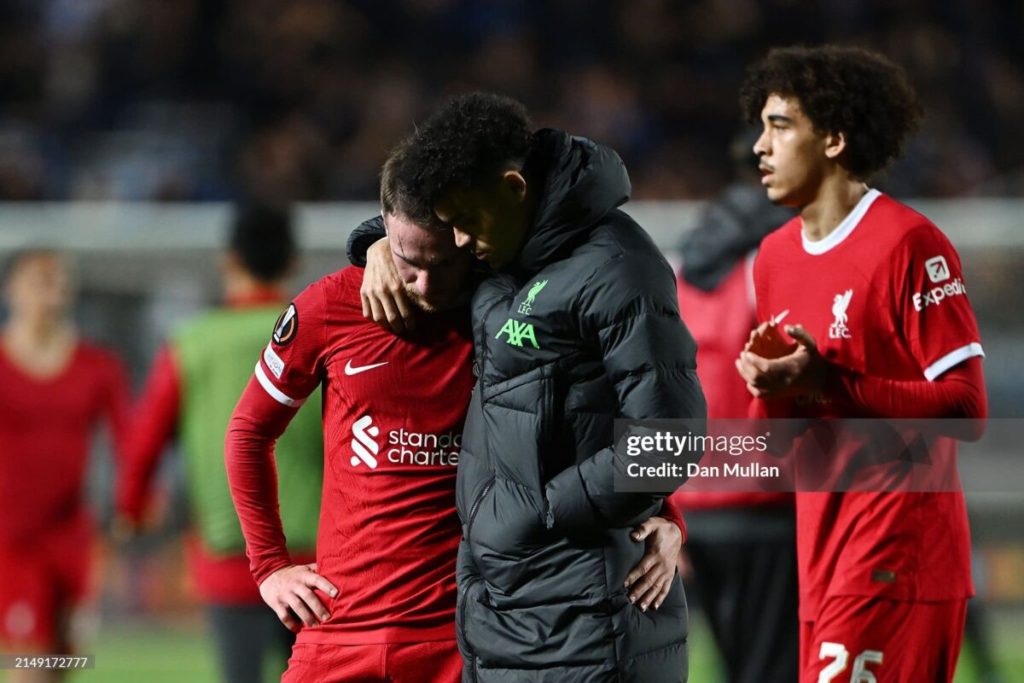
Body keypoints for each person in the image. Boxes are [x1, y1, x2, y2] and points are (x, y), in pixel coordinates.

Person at [224, 154, 683, 683]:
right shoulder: (330, 305)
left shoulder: (513, 311)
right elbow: (248, 433)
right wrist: (271, 567)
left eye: (438, 264)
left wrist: (668, 516)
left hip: (463, 636)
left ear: (467, 240)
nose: (421, 283)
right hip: (337, 629)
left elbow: (608, 415)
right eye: (404, 260)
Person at [361, 91, 705, 682]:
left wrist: (541, 512)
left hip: (588, 621)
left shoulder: (618, 269)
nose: (461, 242)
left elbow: (668, 440)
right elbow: (417, 239)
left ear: (516, 188)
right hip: (508, 617)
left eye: (465, 222)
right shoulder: (506, 252)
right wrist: (372, 247)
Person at [734, 45, 988, 682]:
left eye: (780, 125)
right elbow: (783, 445)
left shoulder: (909, 243)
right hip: (821, 549)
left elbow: (966, 408)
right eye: (761, 126)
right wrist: (769, 387)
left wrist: (827, 379)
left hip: (899, 545)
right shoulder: (773, 257)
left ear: (835, 139)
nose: (760, 146)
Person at [115, 205, 322, 683]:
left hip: (231, 555)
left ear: (228, 261)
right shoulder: (319, 334)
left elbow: (144, 441)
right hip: (317, 556)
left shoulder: (191, 343)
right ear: (293, 263)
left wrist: (130, 508)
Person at [669, 129, 799, 683]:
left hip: (691, 508)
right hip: (766, 506)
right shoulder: (777, 262)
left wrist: (658, 505)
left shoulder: (676, 264)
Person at [0, 249, 130, 683]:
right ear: (11, 288)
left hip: (72, 537)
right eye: (40, 278)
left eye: (59, 280)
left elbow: (127, 440)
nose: (52, 290)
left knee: (61, 663)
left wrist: (132, 502)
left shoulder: (97, 366)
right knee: (28, 664)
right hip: (12, 540)